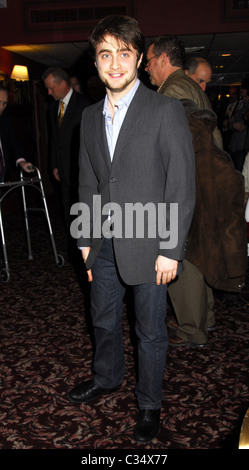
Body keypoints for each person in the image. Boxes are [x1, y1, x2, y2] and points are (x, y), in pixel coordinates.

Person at [68, 15, 196, 444]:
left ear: (140, 59)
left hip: (150, 243)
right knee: (102, 321)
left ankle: (149, 404)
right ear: (96, 62)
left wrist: (171, 249)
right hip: (102, 243)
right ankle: (107, 378)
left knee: (150, 330)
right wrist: (84, 241)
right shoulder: (87, 118)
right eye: (106, 54)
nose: (115, 63)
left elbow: (181, 183)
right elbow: (87, 181)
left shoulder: (165, 109)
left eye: (124, 53)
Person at [145, 35, 221, 347]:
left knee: (181, 257)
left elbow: (175, 151)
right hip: (203, 184)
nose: (146, 68)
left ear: (163, 59)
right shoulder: (188, 87)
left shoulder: (172, 91)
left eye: (148, 61)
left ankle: (192, 330)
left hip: (185, 187)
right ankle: (206, 319)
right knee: (200, 256)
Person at [42, 67, 89, 243]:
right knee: (67, 208)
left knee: (81, 209)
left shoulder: (84, 104)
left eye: (51, 88)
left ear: (63, 83)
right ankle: (73, 243)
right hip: (62, 169)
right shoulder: (53, 108)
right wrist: (54, 164)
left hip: (79, 169)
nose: (48, 92)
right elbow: (54, 139)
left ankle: (84, 244)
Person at [0, 86, 34, 184]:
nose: (2, 107)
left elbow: (13, 142)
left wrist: (21, 161)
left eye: (4, 103)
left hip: (2, 175)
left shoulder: (5, 118)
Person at [228, 77, 249, 171]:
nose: (241, 90)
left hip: (244, 146)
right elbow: (229, 123)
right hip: (234, 145)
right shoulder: (238, 104)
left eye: (243, 88)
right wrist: (232, 125)